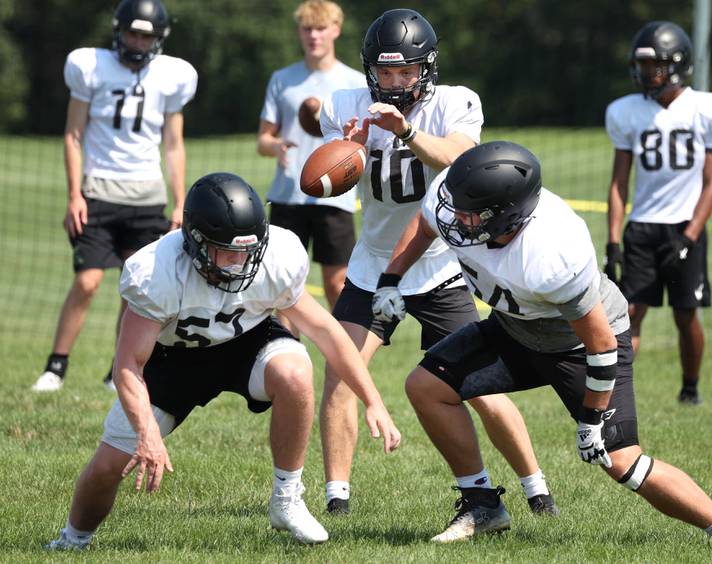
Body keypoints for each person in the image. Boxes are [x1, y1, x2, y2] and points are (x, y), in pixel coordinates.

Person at [374, 141, 712, 546]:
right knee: (426, 386)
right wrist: (390, 279)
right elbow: (426, 222)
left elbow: (601, 344)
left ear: (507, 216)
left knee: (621, 460)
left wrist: (592, 419)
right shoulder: (457, 201)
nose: (455, 217)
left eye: (469, 213)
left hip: (575, 346)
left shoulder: (552, 251)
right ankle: (482, 505)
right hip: (514, 328)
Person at [44, 172, 401, 550]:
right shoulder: (157, 272)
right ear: (195, 243)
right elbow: (127, 365)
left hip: (247, 342)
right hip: (174, 359)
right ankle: (72, 541)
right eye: (227, 252)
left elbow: (328, 332)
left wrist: (373, 399)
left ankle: (287, 498)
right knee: (107, 466)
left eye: (247, 251)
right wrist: (147, 434)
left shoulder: (277, 255)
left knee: (297, 372)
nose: (239, 262)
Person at [317, 8, 557, 521]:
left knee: (478, 386)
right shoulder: (344, 104)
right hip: (372, 265)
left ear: (426, 69)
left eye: (406, 72)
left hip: (441, 265)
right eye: (386, 72)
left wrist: (404, 132)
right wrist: (350, 148)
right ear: (369, 71)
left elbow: (460, 156)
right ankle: (336, 498)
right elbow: (326, 176)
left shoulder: (455, 102)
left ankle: (535, 487)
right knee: (341, 375)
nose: (396, 81)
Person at [32, 0, 197, 393]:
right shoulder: (90, 66)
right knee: (87, 281)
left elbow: (173, 145)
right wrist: (75, 194)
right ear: (118, 31)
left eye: (146, 35)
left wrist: (179, 203)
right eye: (132, 32)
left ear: (159, 38)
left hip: (146, 195)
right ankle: (56, 366)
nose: (138, 42)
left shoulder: (172, 75)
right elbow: (73, 135)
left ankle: (117, 370)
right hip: (99, 191)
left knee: (135, 286)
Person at [603, 21, 712, 405]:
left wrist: (690, 236)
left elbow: (711, 184)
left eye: (655, 66)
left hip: (684, 227)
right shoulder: (626, 112)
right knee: (629, 312)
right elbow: (618, 184)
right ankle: (615, 392)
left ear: (678, 65)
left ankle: (690, 388)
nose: (647, 73)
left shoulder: (707, 110)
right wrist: (613, 242)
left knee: (685, 313)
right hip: (643, 226)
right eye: (643, 65)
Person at [257, 0, 364, 317]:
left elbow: (367, 140)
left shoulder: (355, 82)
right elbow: (262, 140)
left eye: (320, 28)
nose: (313, 36)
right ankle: (287, 357)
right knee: (283, 287)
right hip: (288, 195)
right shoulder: (282, 79)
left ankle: (343, 353)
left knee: (338, 283)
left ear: (336, 30)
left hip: (336, 195)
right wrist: (275, 146)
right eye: (307, 29)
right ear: (299, 33)